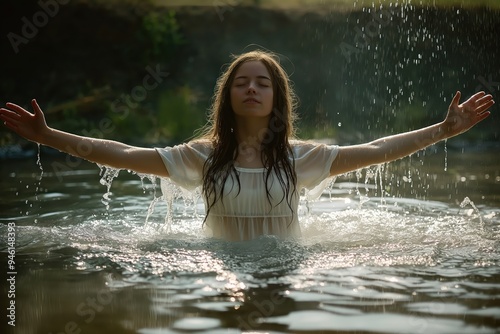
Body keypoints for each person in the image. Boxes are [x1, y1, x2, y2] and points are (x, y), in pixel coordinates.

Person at [0, 50, 494, 241]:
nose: (252, 89)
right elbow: (122, 154)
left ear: (277, 95)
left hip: (288, 267)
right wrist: (48, 136)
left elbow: (379, 149)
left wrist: (442, 130)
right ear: (228, 95)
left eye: (263, 82)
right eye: (242, 82)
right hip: (218, 267)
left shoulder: (303, 157)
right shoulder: (204, 156)